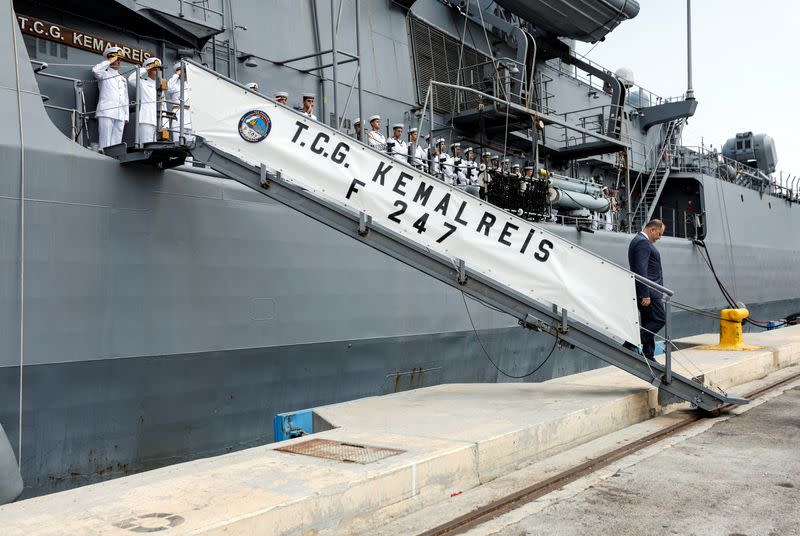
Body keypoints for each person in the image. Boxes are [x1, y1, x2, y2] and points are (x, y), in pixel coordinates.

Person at [628, 219, 666, 360]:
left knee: (648, 322)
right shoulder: (642, 243)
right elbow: (641, 270)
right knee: (659, 320)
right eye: (659, 234)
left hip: (649, 291)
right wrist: (645, 294)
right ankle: (631, 342)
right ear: (652, 230)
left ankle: (648, 355)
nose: (659, 238)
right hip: (649, 292)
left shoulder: (640, 241)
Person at [92, 46, 129, 149]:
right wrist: (109, 61)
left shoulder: (122, 78)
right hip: (106, 111)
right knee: (105, 142)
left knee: (116, 144)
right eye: (116, 59)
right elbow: (95, 70)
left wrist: (126, 116)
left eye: (119, 60)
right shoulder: (104, 73)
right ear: (110, 59)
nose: (118, 62)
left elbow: (125, 98)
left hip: (120, 113)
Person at [128, 56, 164, 144]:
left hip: (158, 121)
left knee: (156, 147)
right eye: (154, 69)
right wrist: (146, 68)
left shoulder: (160, 87)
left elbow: (164, 105)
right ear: (149, 70)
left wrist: (164, 124)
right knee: (146, 145)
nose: (157, 71)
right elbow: (131, 79)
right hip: (146, 119)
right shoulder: (143, 82)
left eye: (158, 69)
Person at [167, 61, 192, 142]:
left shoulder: (190, 85)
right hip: (178, 116)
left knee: (191, 143)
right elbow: (169, 88)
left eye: (185, 71)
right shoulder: (175, 84)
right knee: (177, 141)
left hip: (190, 117)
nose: (184, 73)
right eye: (182, 71)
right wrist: (176, 75)